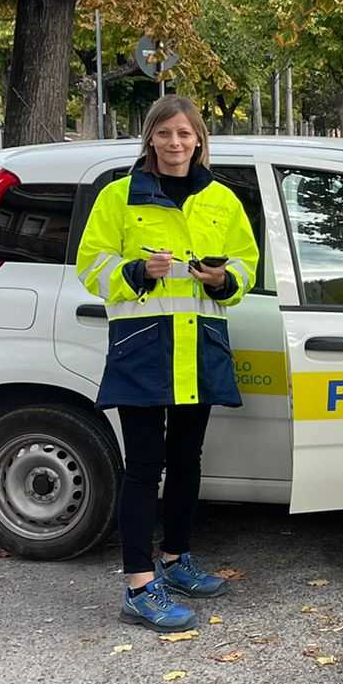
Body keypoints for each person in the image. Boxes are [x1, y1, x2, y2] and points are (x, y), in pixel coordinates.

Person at [74, 95, 262, 629]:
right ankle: (138, 584)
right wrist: (137, 271)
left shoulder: (222, 200)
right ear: (150, 139)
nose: (175, 143)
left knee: (187, 461)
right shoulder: (119, 196)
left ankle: (177, 560)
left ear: (199, 139)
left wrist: (223, 280)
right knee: (142, 468)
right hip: (145, 348)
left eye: (184, 134)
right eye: (164, 134)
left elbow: (247, 264)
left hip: (199, 348)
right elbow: (92, 266)